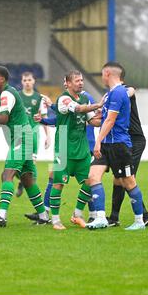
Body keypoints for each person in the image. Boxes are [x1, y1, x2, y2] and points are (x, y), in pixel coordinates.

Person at [0, 65, 49, 227]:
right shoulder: (8, 92)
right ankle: (43, 216)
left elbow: (4, 118)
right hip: (25, 137)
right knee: (27, 179)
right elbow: (4, 117)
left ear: (2, 79)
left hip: (22, 138)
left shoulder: (6, 94)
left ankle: (1, 216)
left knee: (6, 174)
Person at [87, 62, 147, 231]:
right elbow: (104, 118)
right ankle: (100, 218)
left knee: (128, 182)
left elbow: (110, 121)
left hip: (119, 146)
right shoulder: (110, 94)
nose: (101, 77)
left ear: (107, 73)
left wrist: (97, 140)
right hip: (107, 146)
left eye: (102, 74)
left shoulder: (119, 92)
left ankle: (140, 221)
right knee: (92, 176)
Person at [48, 71, 103, 230]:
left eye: (82, 80)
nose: (81, 83)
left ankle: (77, 214)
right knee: (58, 184)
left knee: (90, 181)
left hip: (82, 147)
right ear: (68, 83)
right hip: (63, 148)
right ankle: (56, 220)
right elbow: (78, 109)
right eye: (77, 81)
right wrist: (97, 105)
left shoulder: (85, 98)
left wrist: (106, 115)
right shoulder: (63, 99)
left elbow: (92, 120)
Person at [106, 68, 148, 227]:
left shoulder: (125, 90)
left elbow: (131, 91)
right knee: (118, 178)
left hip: (135, 140)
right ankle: (114, 217)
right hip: (122, 142)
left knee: (127, 178)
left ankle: (144, 217)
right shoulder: (112, 95)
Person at [15, 71, 50, 197]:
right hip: (19, 132)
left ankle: (29, 186)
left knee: (32, 161)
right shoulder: (17, 96)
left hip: (34, 132)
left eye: (29, 80)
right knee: (18, 161)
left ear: (34, 81)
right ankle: (22, 181)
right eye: (25, 80)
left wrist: (48, 136)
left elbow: (44, 117)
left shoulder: (39, 98)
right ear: (21, 82)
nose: (27, 82)